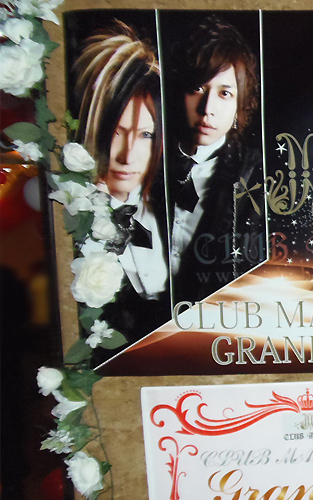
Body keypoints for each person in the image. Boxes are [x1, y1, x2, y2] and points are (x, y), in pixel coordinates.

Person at [73, 22, 170, 348]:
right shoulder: (71, 222)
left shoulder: (173, 211)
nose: (128, 155)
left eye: (145, 135)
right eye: (117, 132)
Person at [164, 15, 265, 304]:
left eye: (224, 93)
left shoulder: (257, 177)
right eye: (197, 88)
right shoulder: (146, 159)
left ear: (239, 104)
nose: (207, 108)